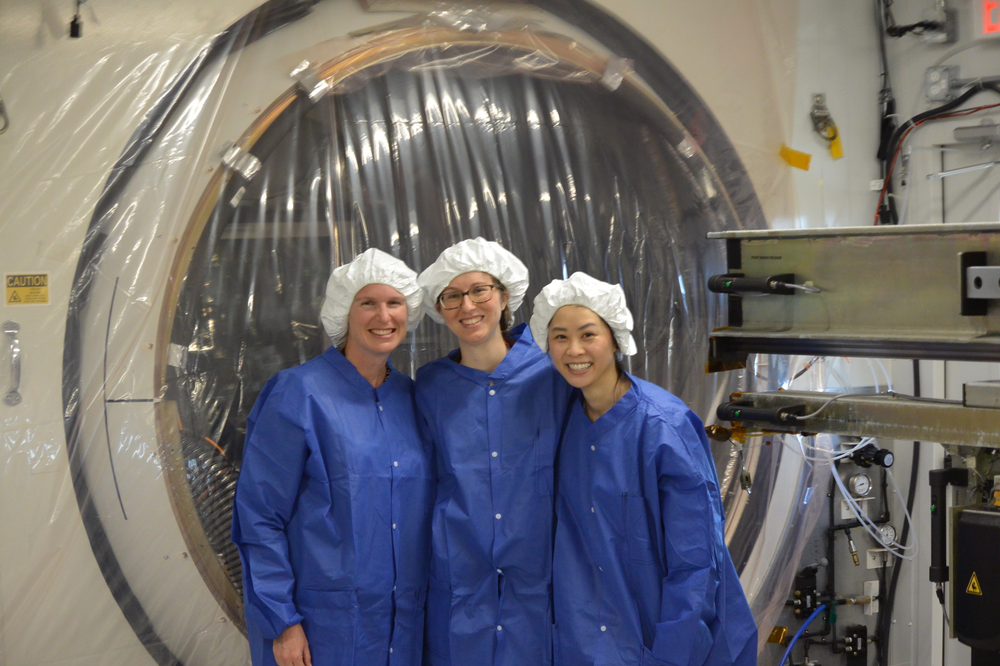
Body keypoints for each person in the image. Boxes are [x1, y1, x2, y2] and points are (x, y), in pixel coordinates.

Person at [530, 272, 757, 666]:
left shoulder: (663, 428)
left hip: (672, 645)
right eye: (560, 336)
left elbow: (696, 564)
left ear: (615, 339)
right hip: (586, 641)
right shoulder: (563, 423)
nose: (573, 350)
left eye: (588, 334)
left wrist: (670, 657)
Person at [231, 248, 433, 666]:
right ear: (344, 312)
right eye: (368, 303)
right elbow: (260, 517)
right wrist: (283, 622)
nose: (383, 316)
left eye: (394, 303)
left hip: (402, 627)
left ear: (408, 313)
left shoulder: (413, 400)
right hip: (321, 627)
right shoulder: (298, 393)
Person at [415, 237, 568, 666]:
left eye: (480, 290)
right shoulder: (430, 387)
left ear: (504, 296)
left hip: (541, 589)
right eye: (452, 296)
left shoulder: (553, 372)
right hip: (459, 588)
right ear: (440, 310)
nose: (468, 306)